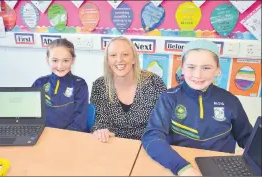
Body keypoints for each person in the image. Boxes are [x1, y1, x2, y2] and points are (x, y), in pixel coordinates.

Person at [142, 39, 253, 176]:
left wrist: (251, 151)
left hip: (222, 169)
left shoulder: (230, 101)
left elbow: (247, 136)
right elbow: (152, 138)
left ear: (218, 70)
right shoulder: (169, 98)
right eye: (191, 67)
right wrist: (182, 168)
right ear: (182, 67)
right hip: (178, 166)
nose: (198, 75)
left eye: (206, 68)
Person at [90, 36, 166, 142]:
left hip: (146, 144)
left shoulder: (154, 83)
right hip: (112, 143)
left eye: (125, 54)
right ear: (107, 60)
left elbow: (162, 123)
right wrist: (100, 131)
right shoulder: (100, 85)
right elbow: (100, 121)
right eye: (113, 55)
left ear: (134, 58)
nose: (119, 60)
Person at [32, 38, 88, 132]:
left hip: (71, 136)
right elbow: (31, 113)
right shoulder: (39, 83)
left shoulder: (79, 84)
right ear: (47, 60)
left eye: (65, 60)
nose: (60, 66)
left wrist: (62, 137)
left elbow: (80, 120)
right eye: (55, 60)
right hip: (43, 135)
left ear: (73, 60)